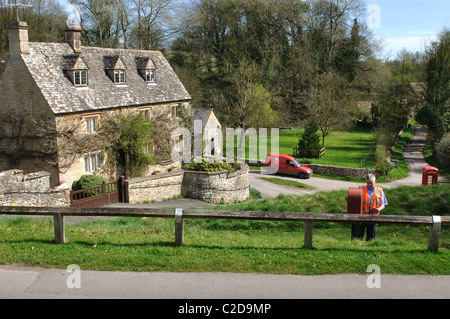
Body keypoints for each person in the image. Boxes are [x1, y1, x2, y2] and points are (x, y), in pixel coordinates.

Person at [351, 174, 388, 241]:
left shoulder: (380, 191)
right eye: (367, 183)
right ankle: (358, 247)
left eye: (371, 183)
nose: (369, 184)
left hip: (373, 218)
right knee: (358, 236)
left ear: (375, 181)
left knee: (371, 237)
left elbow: (383, 204)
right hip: (362, 217)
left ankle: (369, 248)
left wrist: (378, 209)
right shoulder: (361, 189)